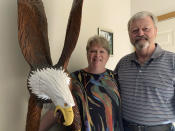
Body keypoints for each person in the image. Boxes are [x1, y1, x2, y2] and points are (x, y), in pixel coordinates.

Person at [39, 35, 123, 131]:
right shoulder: (72, 79)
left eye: (102, 51)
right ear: (87, 54)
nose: (97, 55)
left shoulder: (115, 78)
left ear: (108, 56)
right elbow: (57, 109)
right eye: (93, 51)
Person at [114, 11, 175, 131]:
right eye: (135, 30)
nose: (140, 33)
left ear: (156, 31)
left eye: (146, 29)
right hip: (126, 127)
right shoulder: (122, 63)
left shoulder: (172, 61)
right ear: (129, 35)